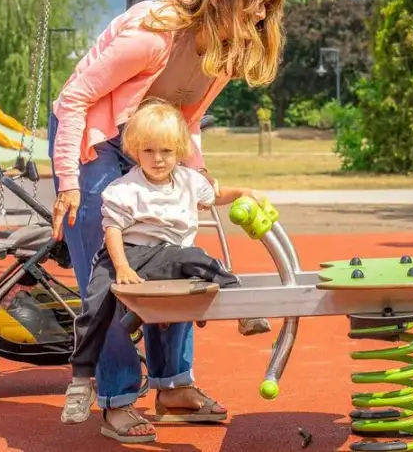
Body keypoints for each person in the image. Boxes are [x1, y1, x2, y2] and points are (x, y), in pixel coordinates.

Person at [46, 0, 286, 443]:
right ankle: (116, 399)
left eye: (267, 8)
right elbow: (73, 99)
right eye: (253, 4)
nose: (261, 16)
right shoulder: (155, 35)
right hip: (95, 135)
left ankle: (173, 386)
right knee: (110, 273)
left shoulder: (223, 54)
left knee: (175, 254)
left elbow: (187, 122)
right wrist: (69, 180)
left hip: (156, 140)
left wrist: (199, 180)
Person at [68, 99, 270, 443]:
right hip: (126, 253)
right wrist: (122, 267)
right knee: (96, 301)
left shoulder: (190, 181)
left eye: (165, 150)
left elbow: (217, 194)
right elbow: (113, 232)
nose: (158, 159)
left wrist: (247, 192)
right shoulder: (123, 188)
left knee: (202, 260)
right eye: (148, 150)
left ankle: (244, 310)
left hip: (167, 256)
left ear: (179, 150)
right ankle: (81, 379)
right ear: (134, 150)